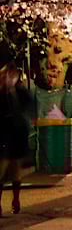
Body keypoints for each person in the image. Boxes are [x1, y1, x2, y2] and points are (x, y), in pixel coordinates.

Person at [0, 64, 31, 217]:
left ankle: (16, 200)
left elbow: (29, 102)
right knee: (1, 171)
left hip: (17, 138)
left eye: (12, 75)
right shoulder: (1, 93)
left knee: (16, 173)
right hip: (3, 139)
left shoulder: (20, 91)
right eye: (7, 75)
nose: (9, 78)